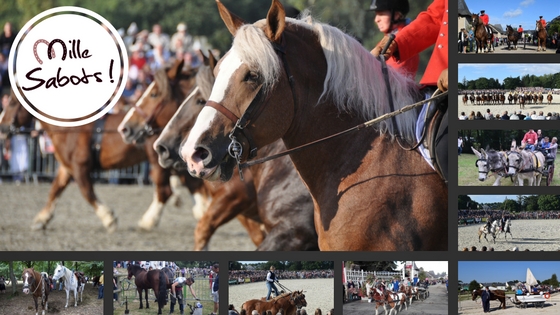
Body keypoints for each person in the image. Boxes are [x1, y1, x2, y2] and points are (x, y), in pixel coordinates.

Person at [372, 0, 448, 183]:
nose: (376, 19)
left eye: (382, 13)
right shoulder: (393, 33)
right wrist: (396, 43)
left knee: (445, 149)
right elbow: (434, 18)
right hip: (438, 81)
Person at [369, 0, 419, 77]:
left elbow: (390, 75)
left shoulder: (401, 40)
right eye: (376, 15)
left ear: (396, 15)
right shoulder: (386, 40)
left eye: (381, 14)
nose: (376, 20)